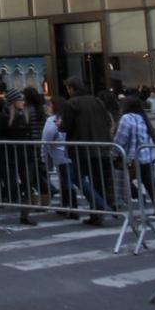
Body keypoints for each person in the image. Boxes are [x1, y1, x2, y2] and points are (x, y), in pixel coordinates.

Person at [60, 77, 113, 226]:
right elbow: (107, 121)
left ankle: (100, 205)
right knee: (97, 180)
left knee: (76, 177)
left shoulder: (71, 103)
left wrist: (60, 125)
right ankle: (97, 213)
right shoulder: (97, 101)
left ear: (71, 88)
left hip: (81, 148)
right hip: (100, 146)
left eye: (68, 88)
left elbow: (66, 126)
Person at [0, 89, 34, 225]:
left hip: (24, 155)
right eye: (20, 100)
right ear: (13, 102)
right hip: (8, 156)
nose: (23, 102)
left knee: (27, 185)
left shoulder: (24, 116)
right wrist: (8, 144)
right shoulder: (2, 117)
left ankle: (25, 215)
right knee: (11, 186)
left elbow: (29, 135)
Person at [115, 95, 155, 219]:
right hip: (147, 156)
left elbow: (121, 138)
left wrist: (114, 151)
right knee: (149, 182)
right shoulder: (143, 117)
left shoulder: (126, 118)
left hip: (132, 156)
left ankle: (130, 198)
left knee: (121, 178)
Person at [42, 96, 77, 218]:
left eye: (50, 105)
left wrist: (43, 155)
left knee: (66, 180)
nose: (48, 108)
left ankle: (72, 207)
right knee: (66, 180)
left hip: (60, 154)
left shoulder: (52, 120)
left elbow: (46, 138)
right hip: (70, 153)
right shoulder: (69, 118)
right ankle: (67, 205)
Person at [23, 87, 51, 206]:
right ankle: (45, 197)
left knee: (32, 173)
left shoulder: (28, 111)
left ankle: (37, 197)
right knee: (39, 171)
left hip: (31, 145)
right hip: (42, 144)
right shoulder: (42, 110)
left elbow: (26, 127)